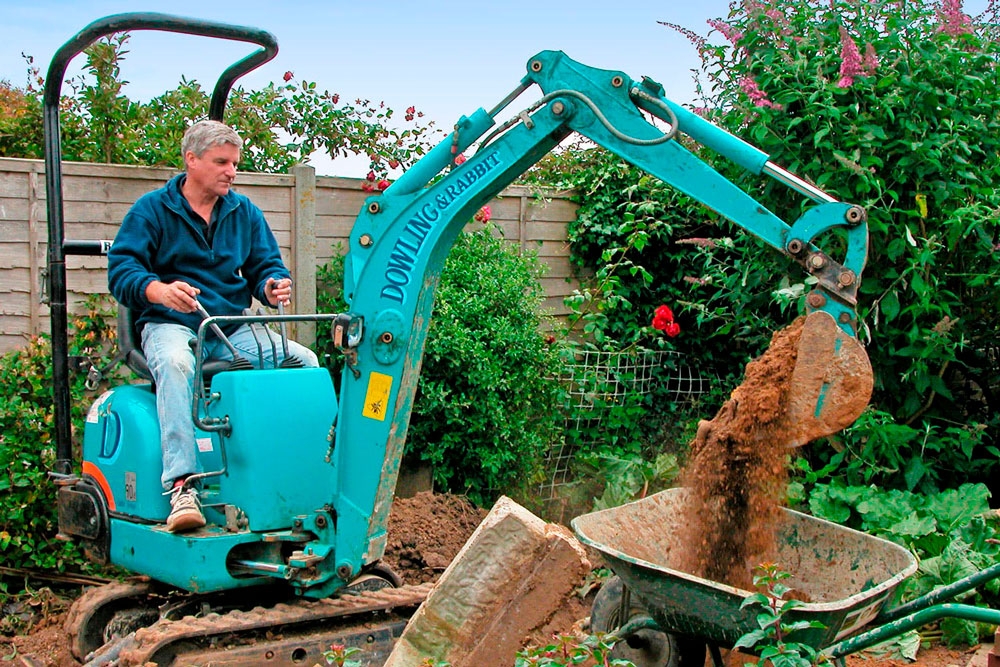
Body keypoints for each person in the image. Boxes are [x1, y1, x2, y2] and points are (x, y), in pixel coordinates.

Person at [108, 119, 319, 533]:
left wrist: (272, 285)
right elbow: (122, 270)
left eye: (235, 163)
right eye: (222, 162)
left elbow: (266, 265)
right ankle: (182, 487)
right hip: (171, 324)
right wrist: (157, 290)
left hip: (229, 328)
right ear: (192, 159)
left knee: (303, 362)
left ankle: (290, 474)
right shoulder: (152, 211)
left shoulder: (244, 212)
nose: (232, 171)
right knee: (175, 365)